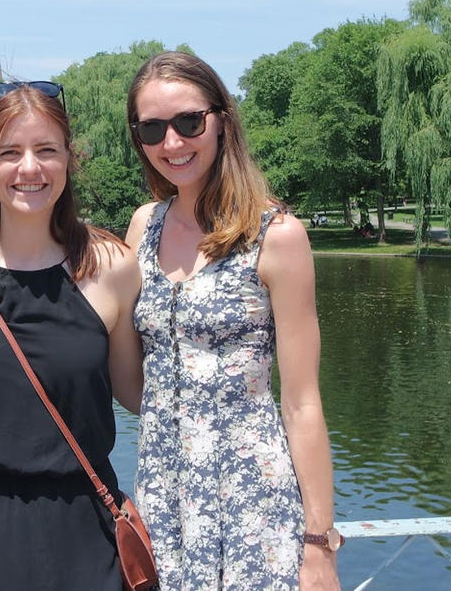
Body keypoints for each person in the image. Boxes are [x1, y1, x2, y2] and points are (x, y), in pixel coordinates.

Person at [123, 52, 341, 591]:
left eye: (188, 122)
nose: (171, 143)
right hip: (162, 493)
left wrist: (319, 546)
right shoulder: (142, 228)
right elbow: (134, 379)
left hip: (251, 500)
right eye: (153, 128)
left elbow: (302, 401)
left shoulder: (275, 235)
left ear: (222, 119)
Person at [0, 82, 143, 590]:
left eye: (46, 150)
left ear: (69, 157)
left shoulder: (113, 269)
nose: (30, 169)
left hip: (82, 535)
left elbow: (141, 394)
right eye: (10, 152)